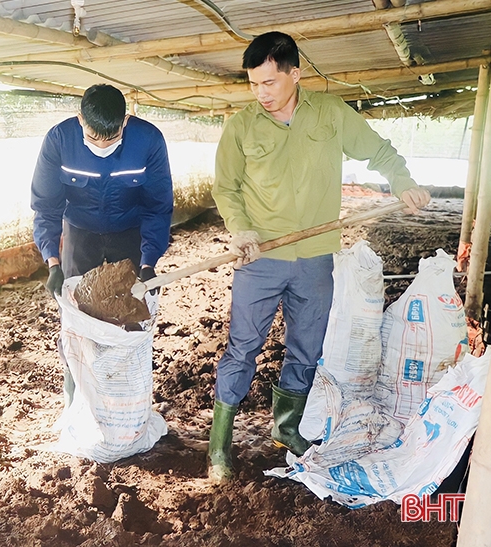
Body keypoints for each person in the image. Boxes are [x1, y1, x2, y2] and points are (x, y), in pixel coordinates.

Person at [207, 31, 431, 483]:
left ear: (295, 73)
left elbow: (380, 151)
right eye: (254, 84)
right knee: (242, 348)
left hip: (315, 258)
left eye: (269, 82)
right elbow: (226, 188)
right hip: (261, 256)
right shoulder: (242, 125)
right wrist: (241, 229)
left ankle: (286, 428)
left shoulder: (330, 114)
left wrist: (402, 180)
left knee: (306, 350)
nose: (261, 93)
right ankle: (218, 445)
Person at [30, 83, 174, 404]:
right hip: (80, 234)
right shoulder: (60, 141)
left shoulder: (148, 141)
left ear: (124, 122)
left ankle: (124, 398)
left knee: (128, 315)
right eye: (94, 137)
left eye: (111, 138)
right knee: (78, 317)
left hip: (129, 233)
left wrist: (149, 262)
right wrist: (52, 261)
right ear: (81, 119)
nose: (102, 145)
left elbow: (157, 206)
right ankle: (76, 399)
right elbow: (46, 206)